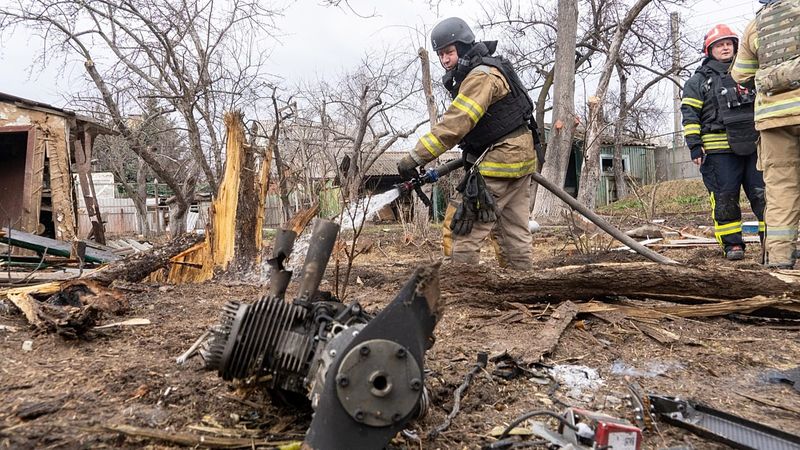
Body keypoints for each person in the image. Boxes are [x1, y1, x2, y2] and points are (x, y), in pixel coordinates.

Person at [397, 17, 539, 269]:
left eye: (449, 52)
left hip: (499, 162)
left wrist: (414, 158)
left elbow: (455, 124)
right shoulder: (490, 68)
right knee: (512, 231)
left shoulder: (479, 77)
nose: (445, 60)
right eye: (440, 55)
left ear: (463, 47)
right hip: (519, 160)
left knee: (461, 227)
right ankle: (522, 285)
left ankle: (462, 289)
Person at [681, 24, 765, 261]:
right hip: (718, 150)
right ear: (710, 50)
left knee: (763, 196)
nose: (725, 47)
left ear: (736, 47)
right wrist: (694, 145)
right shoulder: (698, 81)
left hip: (755, 146)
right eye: (720, 44)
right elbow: (689, 113)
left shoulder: (750, 74)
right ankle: (732, 245)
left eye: (729, 43)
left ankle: (772, 243)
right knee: (725, 197)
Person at [732, 0, 800, 269]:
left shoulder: (756, 25)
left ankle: (780, 261)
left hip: (773, 119)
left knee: (781, 191)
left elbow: (741, 74)